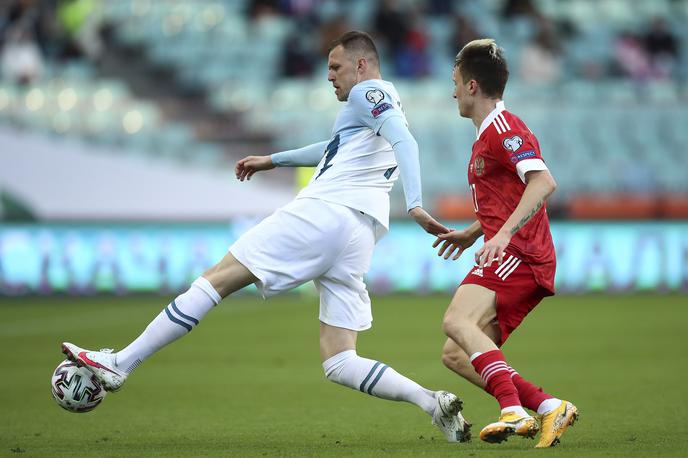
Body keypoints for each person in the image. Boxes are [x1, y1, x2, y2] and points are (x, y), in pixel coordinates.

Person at [61, 31, 471, 443]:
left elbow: (406, 139)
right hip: (359, 233)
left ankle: (122, 362)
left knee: (216, 278)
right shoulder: (382, 100)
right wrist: (272, 160)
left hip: (326, 212)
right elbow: (333, 148)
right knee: (340, 360)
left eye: (335, 67)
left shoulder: (368, 93)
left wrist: (415, 204)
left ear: (361, 65)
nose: (329, 76)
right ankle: (431, 402)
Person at [433, 38, 578, 447]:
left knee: (455, 321)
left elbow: (543, 181)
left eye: (456, 82)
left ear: (473, 86)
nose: (453, 91)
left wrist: (503, 234)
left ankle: (513, 411)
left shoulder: (503, 128)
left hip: (522, 254)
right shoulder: (486, 136)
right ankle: (549, 407)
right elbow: (510, 197)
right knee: (456, 352)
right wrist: (475, 231)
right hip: (513, 250)